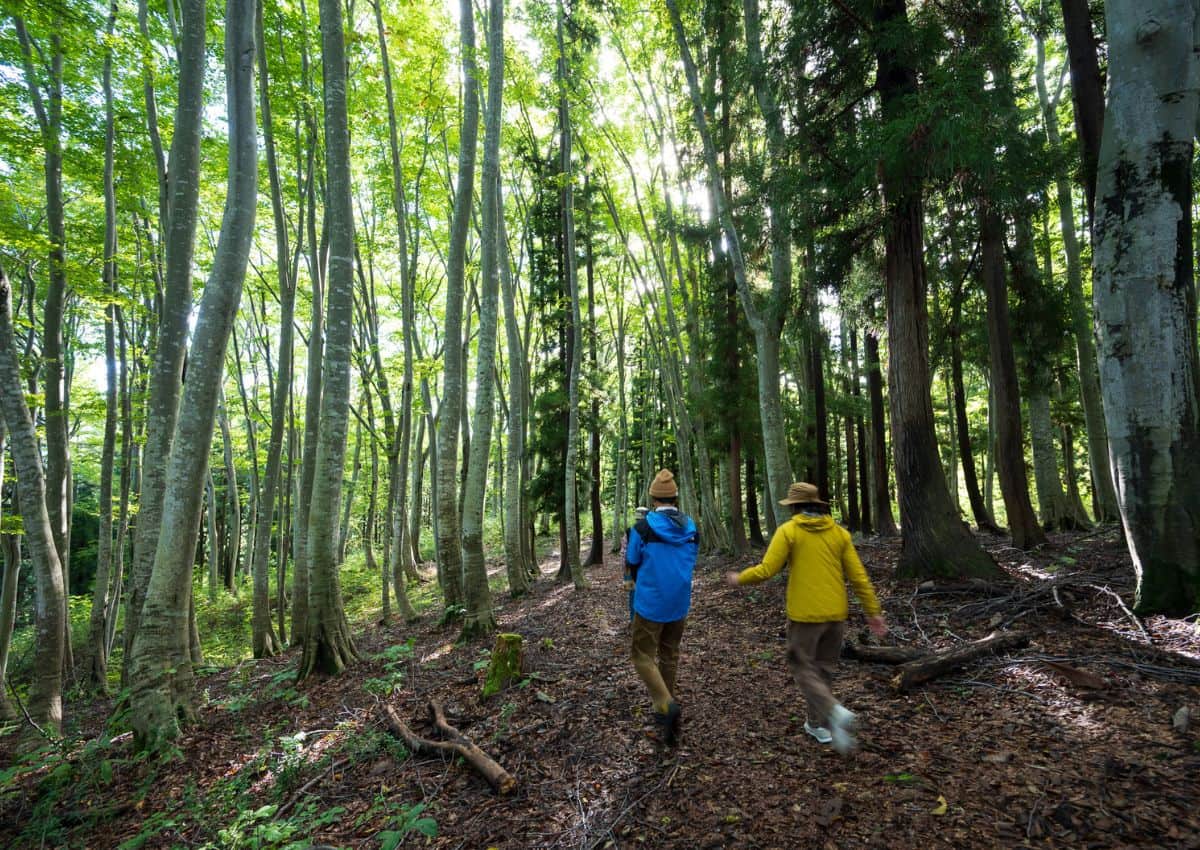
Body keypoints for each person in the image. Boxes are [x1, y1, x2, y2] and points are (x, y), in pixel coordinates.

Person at [725, 482, 886, 754]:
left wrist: (740, 578)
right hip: (835, 615)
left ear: (795, 507)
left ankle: (832, 710)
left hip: (805, 617)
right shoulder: (839, 533)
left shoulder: (789, 531)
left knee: (801, 665)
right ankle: (818, 725)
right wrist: (873, 612)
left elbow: (767, 569)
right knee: (823, 669)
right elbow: (858, 577)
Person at [626, 470, 698, 746]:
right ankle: (664, 706)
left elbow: (632, 559)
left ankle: (667, 705)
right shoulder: (691, 527)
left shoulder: (643, 528)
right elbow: (691, 558)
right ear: (675, 498)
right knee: (669, 653)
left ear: (653, 498)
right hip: (679, 602)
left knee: (641, 655)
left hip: (651, 602)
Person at [620, 506, 650, 621]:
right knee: (643, 595)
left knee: (632, 595)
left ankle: (634, 620)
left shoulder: (630, 531)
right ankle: (640, 620)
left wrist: (625, 570)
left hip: (629, 569)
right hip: (644, 569)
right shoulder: (650, 531)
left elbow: (623, 552)